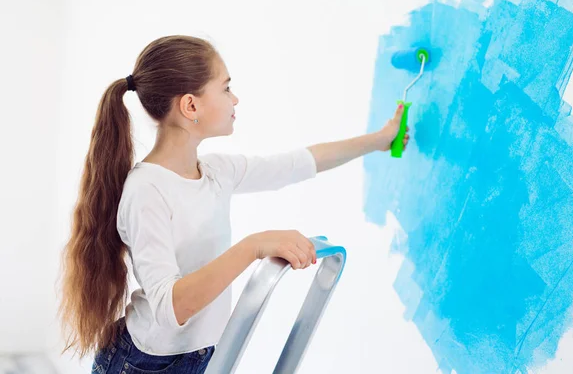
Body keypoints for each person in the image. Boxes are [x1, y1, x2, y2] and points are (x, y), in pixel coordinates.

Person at [58, 35, 409, 374]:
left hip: (201, 355)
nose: (235, 99)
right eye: (226, 88)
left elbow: (300, 163)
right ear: (190, 105)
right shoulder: (147, 191)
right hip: (146, 364)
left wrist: (380, 140)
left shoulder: (215, 172)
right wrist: (254, 246)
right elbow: (172, 306)